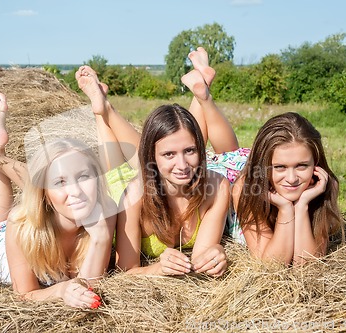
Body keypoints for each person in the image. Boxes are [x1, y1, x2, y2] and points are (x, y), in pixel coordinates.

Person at [0, 93, 116, 308]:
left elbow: (89, 287)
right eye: (61, 183)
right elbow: (24, 294)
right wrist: (61, 290)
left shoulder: (105, 211)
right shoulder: (20, 224)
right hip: (10, 241)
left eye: (84, 177)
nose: (76, 191)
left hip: (42, 209)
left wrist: (101, 237)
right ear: (45, 193)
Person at [75, 61, 236, 277]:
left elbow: (201, 257)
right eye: (169, 155)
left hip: (152, 174)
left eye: (190, 151)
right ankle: (102, 109)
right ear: (152, 157)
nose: (182, 165)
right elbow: (125, 271)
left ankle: (105, 107)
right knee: (113, 166)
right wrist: (158, 269)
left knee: (170, 142)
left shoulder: (218, 187)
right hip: (120, 186)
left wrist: (215, 255)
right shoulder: (132, 197)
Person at [198, 107, 343, 265]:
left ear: (315, 164)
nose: (292, 178)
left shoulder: (325, 185)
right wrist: (286, 209)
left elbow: (307, 263)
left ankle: (204, 97)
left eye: (302, 166)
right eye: (280, 167)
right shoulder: (246, 189)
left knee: (229, 151)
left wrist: (301, 206)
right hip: (229, 173)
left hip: (252, 166)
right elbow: (272, 263)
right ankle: (202, 99)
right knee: (205, 154)